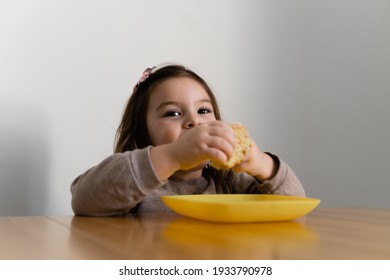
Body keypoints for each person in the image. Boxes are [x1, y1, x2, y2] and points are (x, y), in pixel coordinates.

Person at [70, 64, 305, 216]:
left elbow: (295, 206)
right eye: (173, 113)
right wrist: (173, 155)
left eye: (203, 111)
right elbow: (83, 199)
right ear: (144, 131)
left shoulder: (229, 185)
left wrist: (263, 165)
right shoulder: (133, 186)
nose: (194, 122)